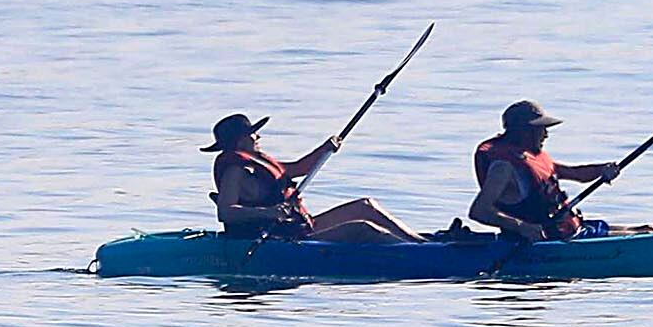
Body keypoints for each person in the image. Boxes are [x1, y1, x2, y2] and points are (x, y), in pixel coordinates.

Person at [205, 111, 418, 244]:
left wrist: (325, 149)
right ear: (241, 140)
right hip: (279, 240)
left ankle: (420, 243)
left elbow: (299, 168)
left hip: (298, 228)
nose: (258, 136)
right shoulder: (234, 171)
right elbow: (226, 212)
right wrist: (269, 212)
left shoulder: (258, 163)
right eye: (253, 133)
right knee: (362, 228)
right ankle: (416, 252)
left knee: (365, 206)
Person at [469, 100, 621, 242]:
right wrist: (521, 227)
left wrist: (602, 170)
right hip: (538, 242)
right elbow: (479, 211)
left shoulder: (530, 158)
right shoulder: (502, 168)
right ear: (525, 132)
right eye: (541, 129)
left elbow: (577, 174)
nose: (546, 135)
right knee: (639, 235)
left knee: (643, 229)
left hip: (569, 231)